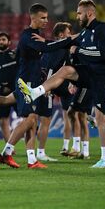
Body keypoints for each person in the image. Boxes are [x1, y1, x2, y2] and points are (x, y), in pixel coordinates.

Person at [19, 0, 105, 168]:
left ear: (89, 13)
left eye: (79, 13)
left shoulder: (103, 29)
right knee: (66, 70)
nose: (77, 16)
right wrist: (44, 43)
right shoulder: (85, 33)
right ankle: (36, 91)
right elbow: (66, 42)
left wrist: (78, 50)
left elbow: (102, 54)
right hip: (91, 72)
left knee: (101, 118)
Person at [0, 3, 75, 169]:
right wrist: (68, 40)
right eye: (43, 17)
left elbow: (25, 55)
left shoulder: (35, 35)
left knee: (31, 121)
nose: (46, 20)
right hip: (27, 83)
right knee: (31, 119)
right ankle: (6, 153)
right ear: (33, 18)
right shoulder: (28, 35)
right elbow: (45, 48)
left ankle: (32, 159)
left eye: (47, 17)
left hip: (32, 81)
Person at [37, 22, 74, 162]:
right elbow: (50, 68)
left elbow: (69, 66)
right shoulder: (58, 48)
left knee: (69, 114)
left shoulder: (62, 47)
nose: (70, 34)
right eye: (68, 32)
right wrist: (48, 86)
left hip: (60, 82)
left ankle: (66, 147)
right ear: (61, 35)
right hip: (50, 83)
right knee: (46, 119)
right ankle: (40, 152)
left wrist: (71, 82)